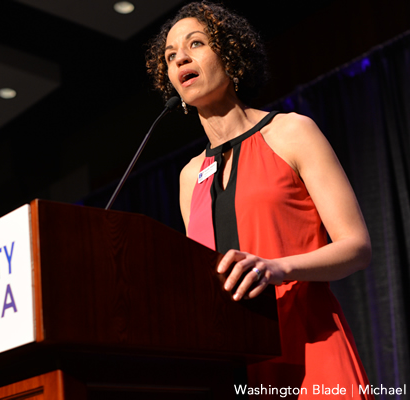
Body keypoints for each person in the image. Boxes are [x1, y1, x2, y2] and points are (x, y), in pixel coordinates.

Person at [146, 1, 374, 398]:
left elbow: (356, 247)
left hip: (309, 350)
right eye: (170, 55)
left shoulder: (291, 133)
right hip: (230, 367)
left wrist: (277, 268)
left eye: (196, 43)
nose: (180, 56)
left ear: (230, 55)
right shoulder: (188, 177)